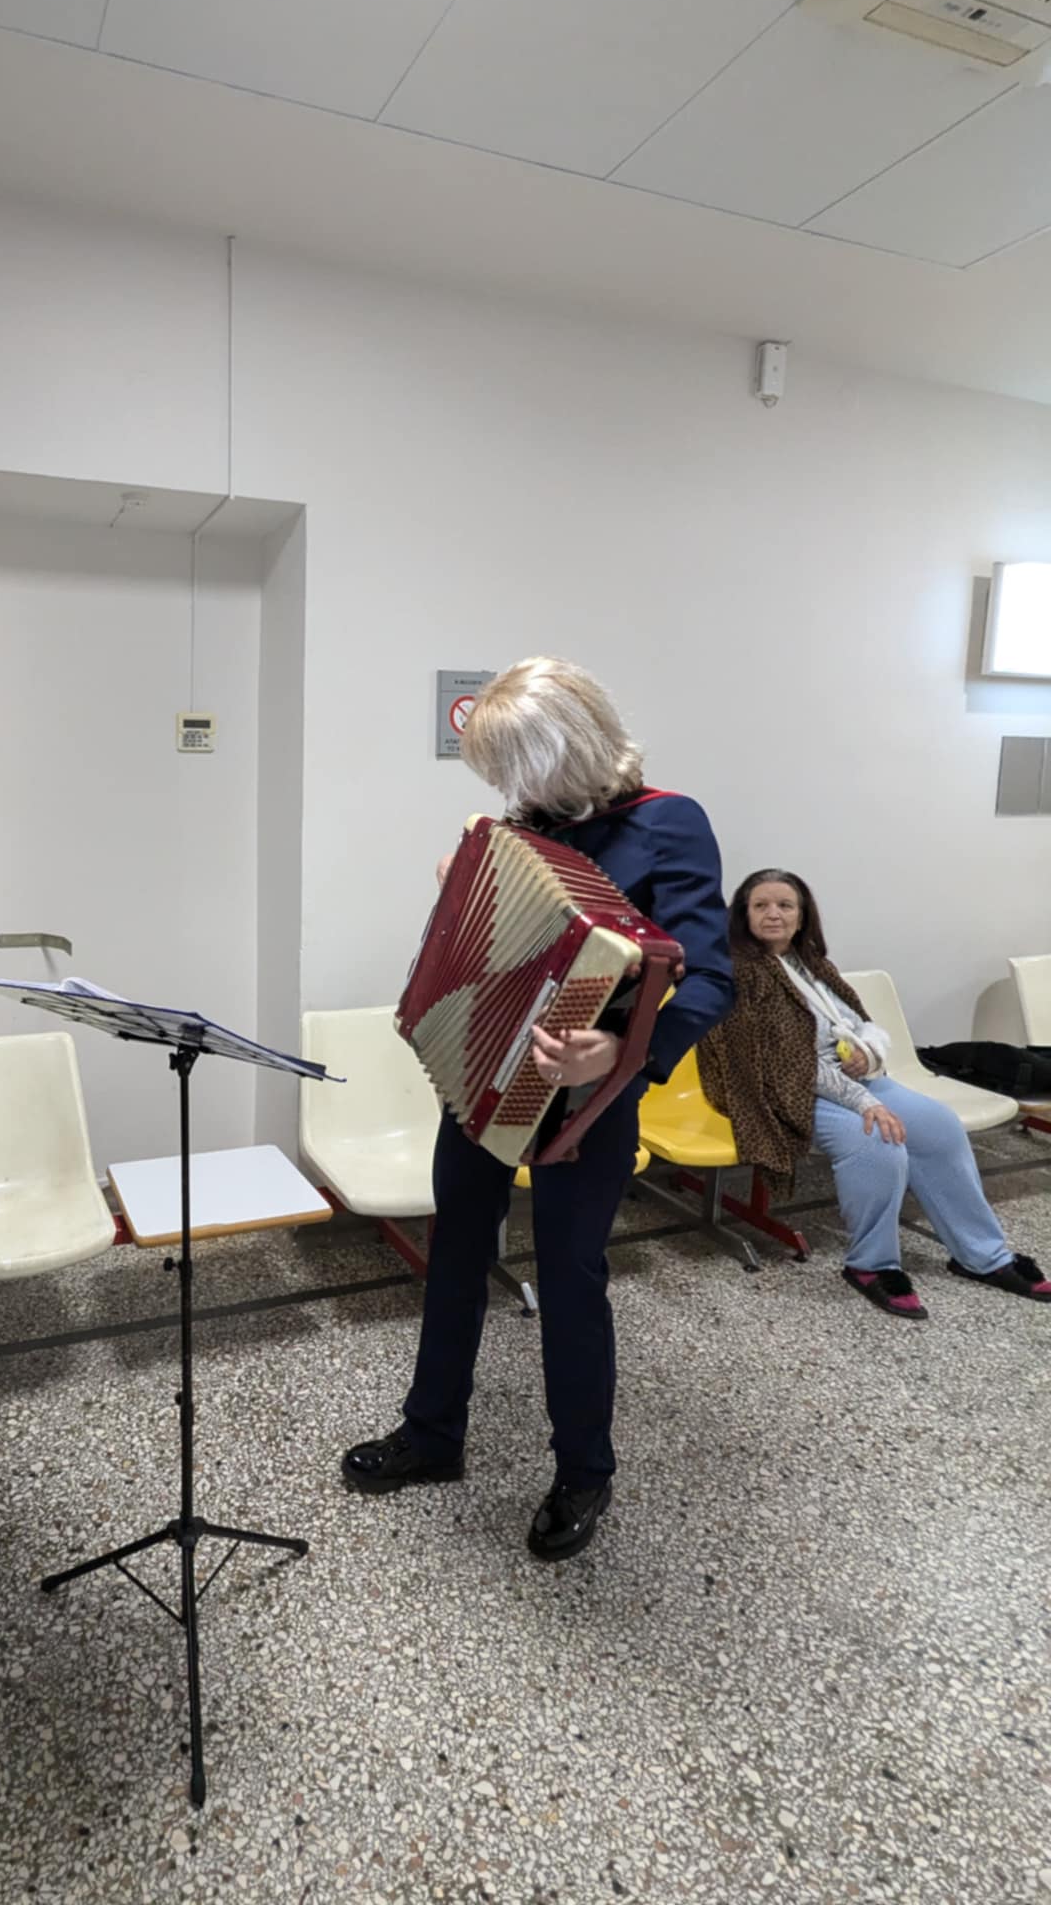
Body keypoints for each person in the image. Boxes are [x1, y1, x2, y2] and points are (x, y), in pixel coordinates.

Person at [341, 657, 734, 1560]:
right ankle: (432, 1433)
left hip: (592, 1096)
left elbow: (712, 980)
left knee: (570, 1278)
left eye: (519, 769)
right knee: (455, 1255)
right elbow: (493, 955)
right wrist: (460, 891)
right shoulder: (521, 829)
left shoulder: (669, 822)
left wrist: (622, 1053)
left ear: (573, 745)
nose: (511, 792)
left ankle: (584, 1470)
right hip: (486, 1077)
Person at [699, 869, 1050, 1320]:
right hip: (779, 1091)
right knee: (876, 1141)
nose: (773, 914)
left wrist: (869, 1050)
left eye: (785, 905)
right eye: (760, 905)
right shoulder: (740, 973)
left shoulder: (812, 964)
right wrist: (867, 1101)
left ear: (802, 916)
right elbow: (784, 1064)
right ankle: (872, 1265)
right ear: (742, 915)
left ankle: (984, 1256)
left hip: (847, 1079)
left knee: (940, 1126)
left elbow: (859, 1022)